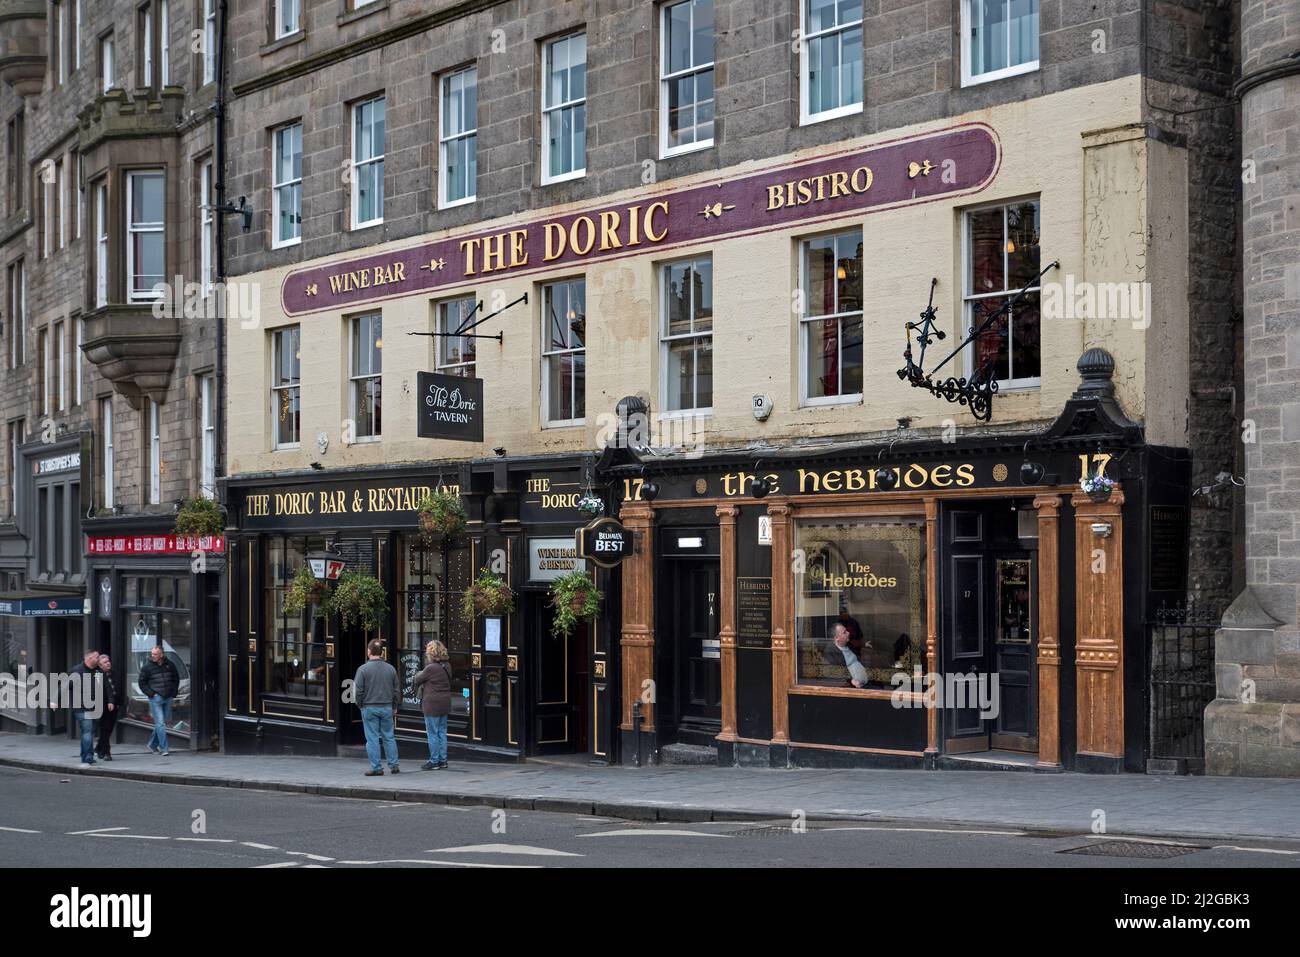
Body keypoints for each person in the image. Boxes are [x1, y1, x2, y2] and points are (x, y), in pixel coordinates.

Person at [354, 638, 401, 776]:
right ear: (382, 652)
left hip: (369, 707)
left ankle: (377, 768)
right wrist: (394, 705)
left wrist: (360, 705)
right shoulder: (390, 669)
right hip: (387, 707)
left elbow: (357, 691)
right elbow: (396, 690)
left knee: (372, 739)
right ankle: (394, 765)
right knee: (389, 737)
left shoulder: (362, 669)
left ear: (369, 651)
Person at [412, 639, 453, 770]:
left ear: (431, 653)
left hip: (432, 704)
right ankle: (443, 760)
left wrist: (419, 673)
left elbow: (417, 679)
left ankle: (434, 761)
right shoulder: (447, 665)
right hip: (444, 703)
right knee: (442, 732)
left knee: (432, 733)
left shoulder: (430, 668)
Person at [138, 644, 180, 756]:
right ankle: (164, 748)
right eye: (152, 654)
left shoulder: (170, 665)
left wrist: (173, 693)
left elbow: (176, 679)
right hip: (156, 698)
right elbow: (142, 683)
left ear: (161, 654)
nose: (153, 656)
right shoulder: (147, 667)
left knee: (161, 724)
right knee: (160, 724)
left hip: (168, 697)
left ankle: (152, 745)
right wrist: (152, 694)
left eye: (155, 654)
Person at [70, 650, 101, 766]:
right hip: (81, 707)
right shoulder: (76, 671)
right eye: (96, 657)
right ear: (88, 658)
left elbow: (103, 686)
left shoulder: (97, 671)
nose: (98, 659)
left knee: (88, 732)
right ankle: (88, 756)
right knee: (87, 731)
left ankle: (85, 755)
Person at [95, 655, 123, 761]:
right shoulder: (97, 676)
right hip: (103, 706)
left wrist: (120, 702)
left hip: (114, 705)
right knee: (105, 729)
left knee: (109, 729)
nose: (108, 663)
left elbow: (119, 688)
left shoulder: (115, 674)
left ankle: (98, 747)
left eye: (108, 661)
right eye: (105, 662)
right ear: (100, 665)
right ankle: (107, 752)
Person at [830, 622, 870, 689]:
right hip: (852, 689)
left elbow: (856, 646)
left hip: (865, 685)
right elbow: (834, 672)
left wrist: (864, 645)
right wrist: (851, 681)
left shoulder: (848, 645)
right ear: (837, 638)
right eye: (844, 632)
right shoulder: (832, 652)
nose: (848, 633)